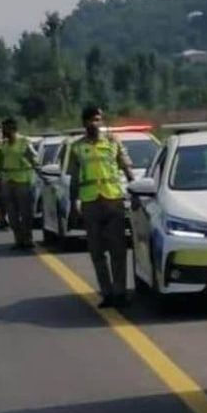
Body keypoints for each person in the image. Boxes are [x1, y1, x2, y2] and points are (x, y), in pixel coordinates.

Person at [68, 106, 135, 309]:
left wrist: (135, 190)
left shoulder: (113, 142)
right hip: (90, 203)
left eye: (98, 119)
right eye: (91, 120)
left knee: (118, 250)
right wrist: (73, 204)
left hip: (113, 200)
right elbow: (73, 179)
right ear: (84, 123)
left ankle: (120, 292)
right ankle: (107, 293)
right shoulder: (77, 147)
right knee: (96, 251)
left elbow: (126, 167)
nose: (95, 123)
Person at [0, 117, 39, 249]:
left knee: (26, 213)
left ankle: (28, 239)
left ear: (12, 129)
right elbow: (0, 163)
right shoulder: (4, 145)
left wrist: (36, 165)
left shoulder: (24, 142)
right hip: (8, 183)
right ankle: (18, 240)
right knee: (12, 214)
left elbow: (35, 159)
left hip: (23, 183)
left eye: (5, 129)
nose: (3, 131)